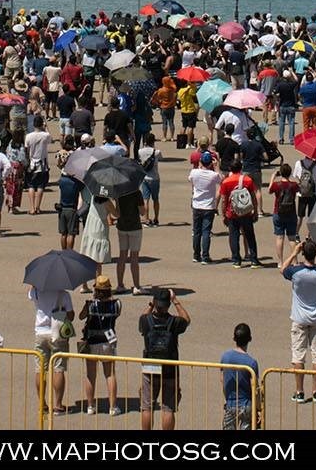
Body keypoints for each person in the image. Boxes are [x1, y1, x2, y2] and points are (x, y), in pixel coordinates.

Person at [137, 286, 190, 431]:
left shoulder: (146, 321)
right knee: (168, 408)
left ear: (155, 302)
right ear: (167, 305)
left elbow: (141, 319)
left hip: (150, 366)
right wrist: (176, 301)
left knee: (147, 406)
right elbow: (187, 319)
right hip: (169, 368)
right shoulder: (174, 322)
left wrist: (150, 305)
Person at [281, 239, 316, 403]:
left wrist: (293, 252)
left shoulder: (296, 272)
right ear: (314, 254)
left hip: (299, 318)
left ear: (303, 253)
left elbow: (283, 269)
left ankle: (299, 391)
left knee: (298, 356)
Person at [77, 275, 122, 416]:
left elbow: (81, 316)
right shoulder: (117, 304)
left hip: (92, 341)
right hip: (108, 341)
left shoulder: (91, 304)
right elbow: (117, 315)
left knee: (91, 375)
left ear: (95, 290)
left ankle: (90, 406)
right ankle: (113, 407)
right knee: (110, 374)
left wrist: (88, 304)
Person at [29, 280, 74, 415]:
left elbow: (30, 294)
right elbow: (71, 316)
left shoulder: (36, 291)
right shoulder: (63, 294)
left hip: (40, 332)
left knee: (40, 369)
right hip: (57, 333)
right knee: (58, 369)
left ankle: (42, 404)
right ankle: (58, 405)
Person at [219, 159, 259, 267]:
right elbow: (253, 197)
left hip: (232, 212)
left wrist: (223, 214)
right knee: (250, 235)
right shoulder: (247, 180)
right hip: (246, 211)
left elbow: (224, 200)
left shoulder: (226, 182)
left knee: (234, 236)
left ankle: (236, 260)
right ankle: (254, 259)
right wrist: (255, 210)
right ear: (241, 168)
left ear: (230, 169)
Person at [218, 323, 257, 430]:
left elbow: (222, 378)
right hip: (246, 404)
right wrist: (258, 408)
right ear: (250, 339)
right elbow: (254, 387)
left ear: (234, 338)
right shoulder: (251, 362)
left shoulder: (225, 356)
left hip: (231, 402)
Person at [188, 150, 220, 264]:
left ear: (201, 161)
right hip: (208, 206)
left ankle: (196, 255)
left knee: (196, 231)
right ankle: (205, 256)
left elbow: (190, 179)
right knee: (206, 231)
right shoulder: (213, 175)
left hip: (197, 205)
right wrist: (216, 166)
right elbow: (221, 180)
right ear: (211, 163)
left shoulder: (194, 172)